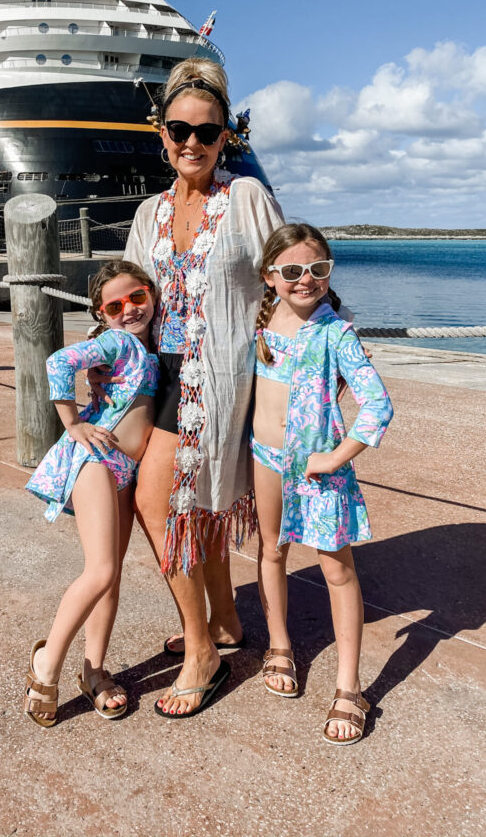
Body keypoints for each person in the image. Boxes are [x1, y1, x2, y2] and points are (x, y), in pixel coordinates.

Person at [120, 57, 285, 717]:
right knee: (193, 508)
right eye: (179, 129)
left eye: (207, 132)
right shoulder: (148, 212)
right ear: (161, 132)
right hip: (160, 381)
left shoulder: (244, 198)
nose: (191, 143)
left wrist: (318, 357)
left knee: (163, 507)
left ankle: (201, 654)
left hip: (220, 383)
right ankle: (224, 621)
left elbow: (292, 269)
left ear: (226, 139)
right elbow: (129, 296)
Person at [252, 223, 393, 745]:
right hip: (263, 458)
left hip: (316, 467)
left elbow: (377, 405)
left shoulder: (337, 333)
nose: (304, 279)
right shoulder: (261, 322)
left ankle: (348, 686)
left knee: (337, 571)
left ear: (329, 272)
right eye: (291, 271)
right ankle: (280, 645)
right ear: (270, 277)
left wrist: (335, 456)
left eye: (317, 269)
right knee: (271, 550)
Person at [22, 261, 160, 726]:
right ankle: (48, 665)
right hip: (96, 459)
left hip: (123, 467)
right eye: (115, 306)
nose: (129, 311)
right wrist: (72, 422)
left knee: (111, 575)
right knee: (101, 569)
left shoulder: (149, 347)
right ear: (103, 314)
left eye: (137, 298)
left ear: (151, 294)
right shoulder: (118, 340)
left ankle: (94, 671)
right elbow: (58, 360)